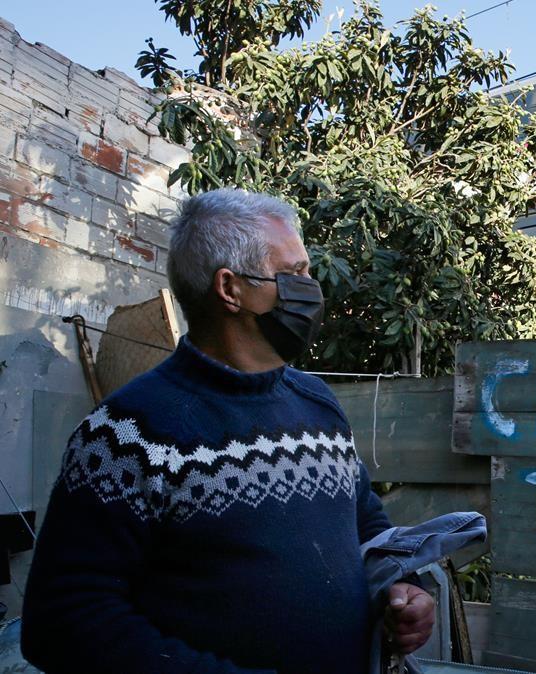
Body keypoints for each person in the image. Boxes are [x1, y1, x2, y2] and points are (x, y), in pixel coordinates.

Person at [20, 188, 434, 673]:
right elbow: (63, 621)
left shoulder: (318, 404)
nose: (312, 286)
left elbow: (365, 523)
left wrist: (402, 588)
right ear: (230, 288)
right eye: (295, 273)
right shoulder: (128, 435)